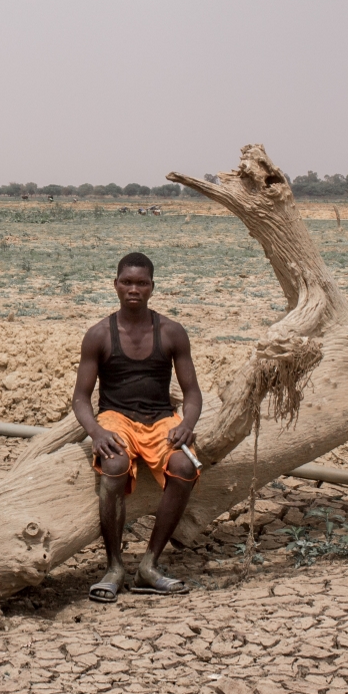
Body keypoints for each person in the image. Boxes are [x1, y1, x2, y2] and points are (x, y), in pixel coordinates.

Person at [71, 252, 203, 602]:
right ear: (115, 284)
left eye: (141, 283)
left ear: (152, 288)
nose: (134, 289)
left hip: (160, 419)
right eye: (127, 282)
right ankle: (114, 566)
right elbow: (81, 400)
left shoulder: (171, 331)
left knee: (185, 465)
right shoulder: (99, 334)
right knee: (113, 464)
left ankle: (149, 565)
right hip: (116, 418)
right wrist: (97, 433)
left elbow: (192, 394)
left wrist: (187, 423)